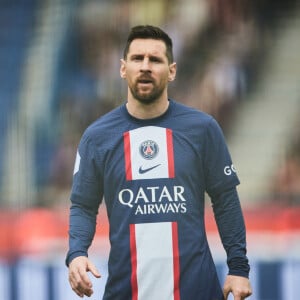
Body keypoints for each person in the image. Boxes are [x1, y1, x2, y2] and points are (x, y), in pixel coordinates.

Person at [66, 25, 252, 300]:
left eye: (155, 59)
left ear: (172, 70)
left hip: (196, 291)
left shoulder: (202, 129)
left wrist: (239, 267)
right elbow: (83, 205)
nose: (145, 66)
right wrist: (76, 254)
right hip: (127, 292)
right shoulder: (97, 137)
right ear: (122, 68)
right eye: (137, 58)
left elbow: (225, 199)